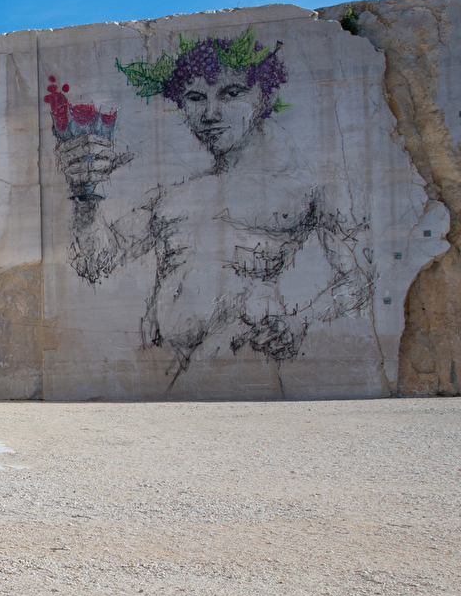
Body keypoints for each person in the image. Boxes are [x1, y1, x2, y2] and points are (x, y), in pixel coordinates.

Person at [56, 29, 374, 384]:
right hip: (165, 358)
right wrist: (85, 192)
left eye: (232, 93)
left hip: (240, 350)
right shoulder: (174, 196)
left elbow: (357, 277)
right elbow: (97, 262)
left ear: (263, 98)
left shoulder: (304, 187)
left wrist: (299, 321)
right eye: (194, 98)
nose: (210, 113)